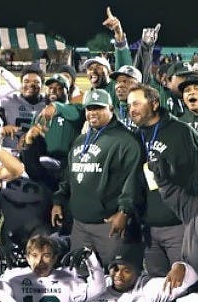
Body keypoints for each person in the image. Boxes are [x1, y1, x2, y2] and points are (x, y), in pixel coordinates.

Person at [50, 89, 144, 269]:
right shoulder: (81, 140)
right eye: (89, 109)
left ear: (110, 108)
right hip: (80, 225)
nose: (92, 113)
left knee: (114, 279)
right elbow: (70, 176)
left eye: (98, 108)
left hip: (109, 226)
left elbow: (133, 180)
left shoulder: (126, 141)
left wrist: (124, 212)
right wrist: (58, 200)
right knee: (79, 277)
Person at [125, 83, 198, 278]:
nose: (132, 110)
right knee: (157, 288)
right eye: (129, 106)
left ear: (154, 104)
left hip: (178, 226)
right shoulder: (135, 136)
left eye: (137, 104)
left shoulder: (181, 132)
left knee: (186, 282)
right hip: (148, 229)